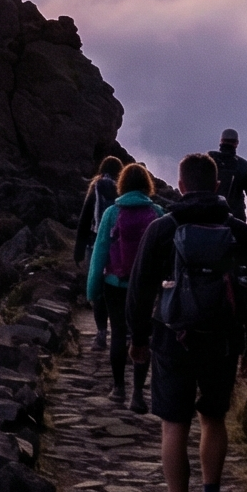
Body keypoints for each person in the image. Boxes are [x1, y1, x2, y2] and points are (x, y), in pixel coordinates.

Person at [127, 153, 247, 492]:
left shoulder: (163, 229)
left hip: (173, 339)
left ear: (183, 185)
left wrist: (137, 338)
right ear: (217, 185)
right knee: (213, 417)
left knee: (174, 426)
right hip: (222, 339)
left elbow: (140, 291)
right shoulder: (238, 232)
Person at [83, 163, 160, 409]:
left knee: (117, 333)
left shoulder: (112, 213)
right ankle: (138, 393)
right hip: (146, 286)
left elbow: (99, 253)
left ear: (122, 184)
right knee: (141, 336)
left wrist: (93, 289)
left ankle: (118, 389)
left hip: (114, 283)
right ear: (147, 185)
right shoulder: (158, 212)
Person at [73, 155, 124, 345]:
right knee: (117, 288)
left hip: (95, 243)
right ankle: (121, 332)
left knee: (98, 289)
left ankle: (101, 332)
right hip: (118, 245)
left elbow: (85, 220)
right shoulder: (123, 190)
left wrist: (78, 251)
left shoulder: (96, 188)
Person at [213, 128, 247, 226]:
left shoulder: (208, 160)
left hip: (208, 219)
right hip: (235, 221)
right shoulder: (245, 166)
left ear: (221, 141)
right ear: (237, 143)